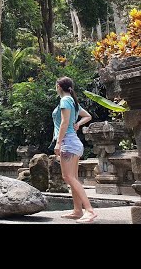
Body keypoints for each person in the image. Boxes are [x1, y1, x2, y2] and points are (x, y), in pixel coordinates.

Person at [52, 76, 97, 223]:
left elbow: (65, 122)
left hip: (68, 143)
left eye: (55, 85)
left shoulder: (65, 100)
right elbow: (88, 116)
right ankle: (77, 210)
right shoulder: (73, 101)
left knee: (68, 177)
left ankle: (89, 211)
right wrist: (78, 124)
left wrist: (58, 143)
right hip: (74, 143)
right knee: (73, 178)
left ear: (59, 86)